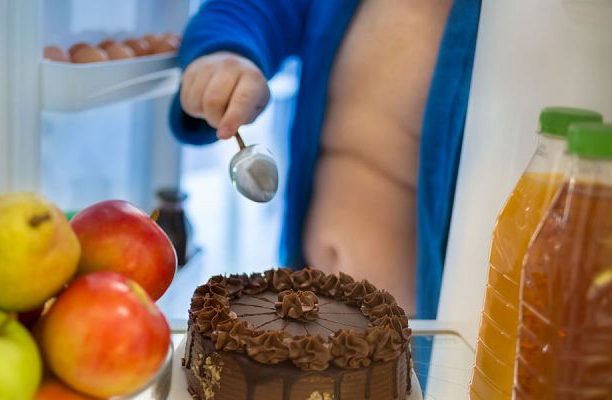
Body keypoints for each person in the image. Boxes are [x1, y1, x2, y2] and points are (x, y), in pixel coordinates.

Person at [169, 0, 481, 318]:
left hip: (421, 338)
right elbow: (248, 7)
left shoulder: (505, 25)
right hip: (308, 300)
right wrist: (225, 55)